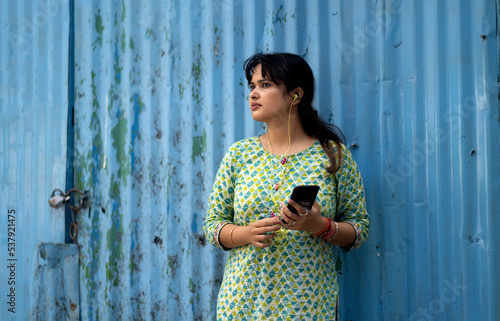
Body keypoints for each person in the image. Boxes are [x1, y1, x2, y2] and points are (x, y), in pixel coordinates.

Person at [203, 52, 369, 320]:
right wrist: (246, 234)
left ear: (296, 95)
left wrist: (320, 226)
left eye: (266, 85)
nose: (254, 94)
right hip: (242, 305)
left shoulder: (332, 156)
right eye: (253, 86)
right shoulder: (239, 155)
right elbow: (213, 226)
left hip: (308, 307)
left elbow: (359, 228)